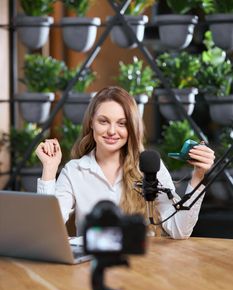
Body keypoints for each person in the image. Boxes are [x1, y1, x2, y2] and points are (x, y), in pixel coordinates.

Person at [36, 86, 215, 239]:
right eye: (104, 121)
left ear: (131, 127)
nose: (112, 131)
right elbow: (46, 231)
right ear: (91, 123)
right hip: (91, 267)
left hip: (142, 269)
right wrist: (49, 170)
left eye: (122, 123)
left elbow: (179, 230)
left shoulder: (150, 167)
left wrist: (198, 175)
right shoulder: (74, 171)